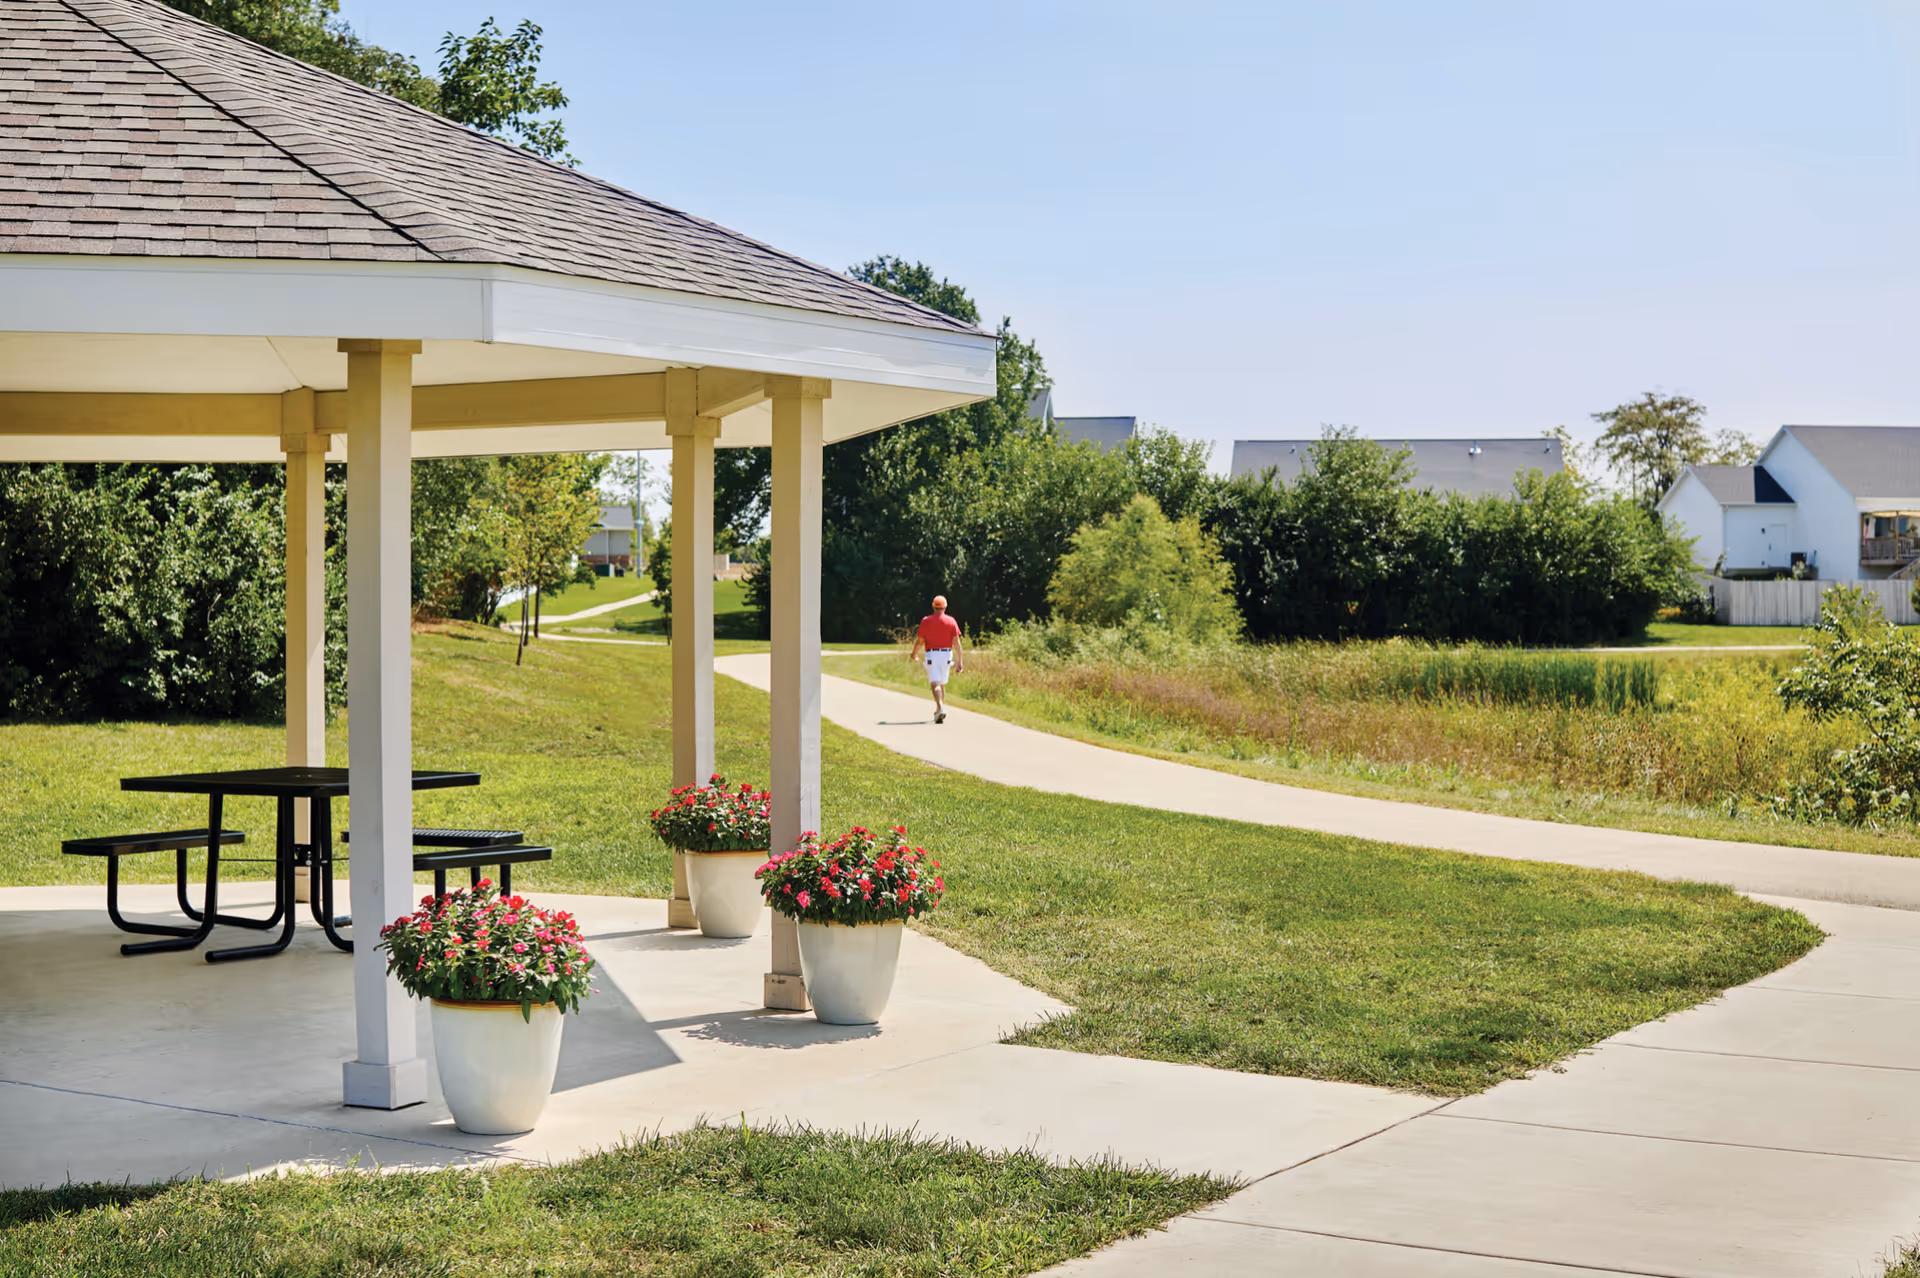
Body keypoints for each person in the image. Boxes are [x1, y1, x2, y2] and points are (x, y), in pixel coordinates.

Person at [909, 595, 964, 724]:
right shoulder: (951, 621)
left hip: (932, 655)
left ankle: (940, 709)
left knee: (935, 684)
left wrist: (914, 655)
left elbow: (919, 641)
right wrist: (959, 661)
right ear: (945, 607)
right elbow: (957, 643)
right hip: (947, 655)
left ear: (933, 607)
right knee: (941, 684)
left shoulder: (926, 621)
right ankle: (939, 709)